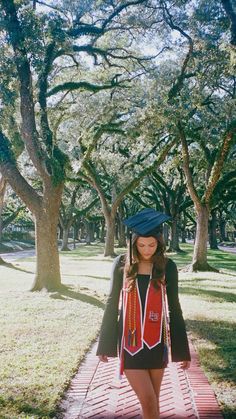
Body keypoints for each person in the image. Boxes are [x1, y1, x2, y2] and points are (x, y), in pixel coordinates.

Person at [96, 208, 191, 419]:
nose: (147, 250)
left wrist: (182, 351)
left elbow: (174, 308)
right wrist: (105, 345)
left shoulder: (168, 267)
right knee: (148, 401)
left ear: (159, 242)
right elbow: (112, 303)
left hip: (157, 344)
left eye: (152, 245)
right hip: (130, 344)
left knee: (153, 404)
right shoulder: (122, 264)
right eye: (141, 245)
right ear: (133, 243)